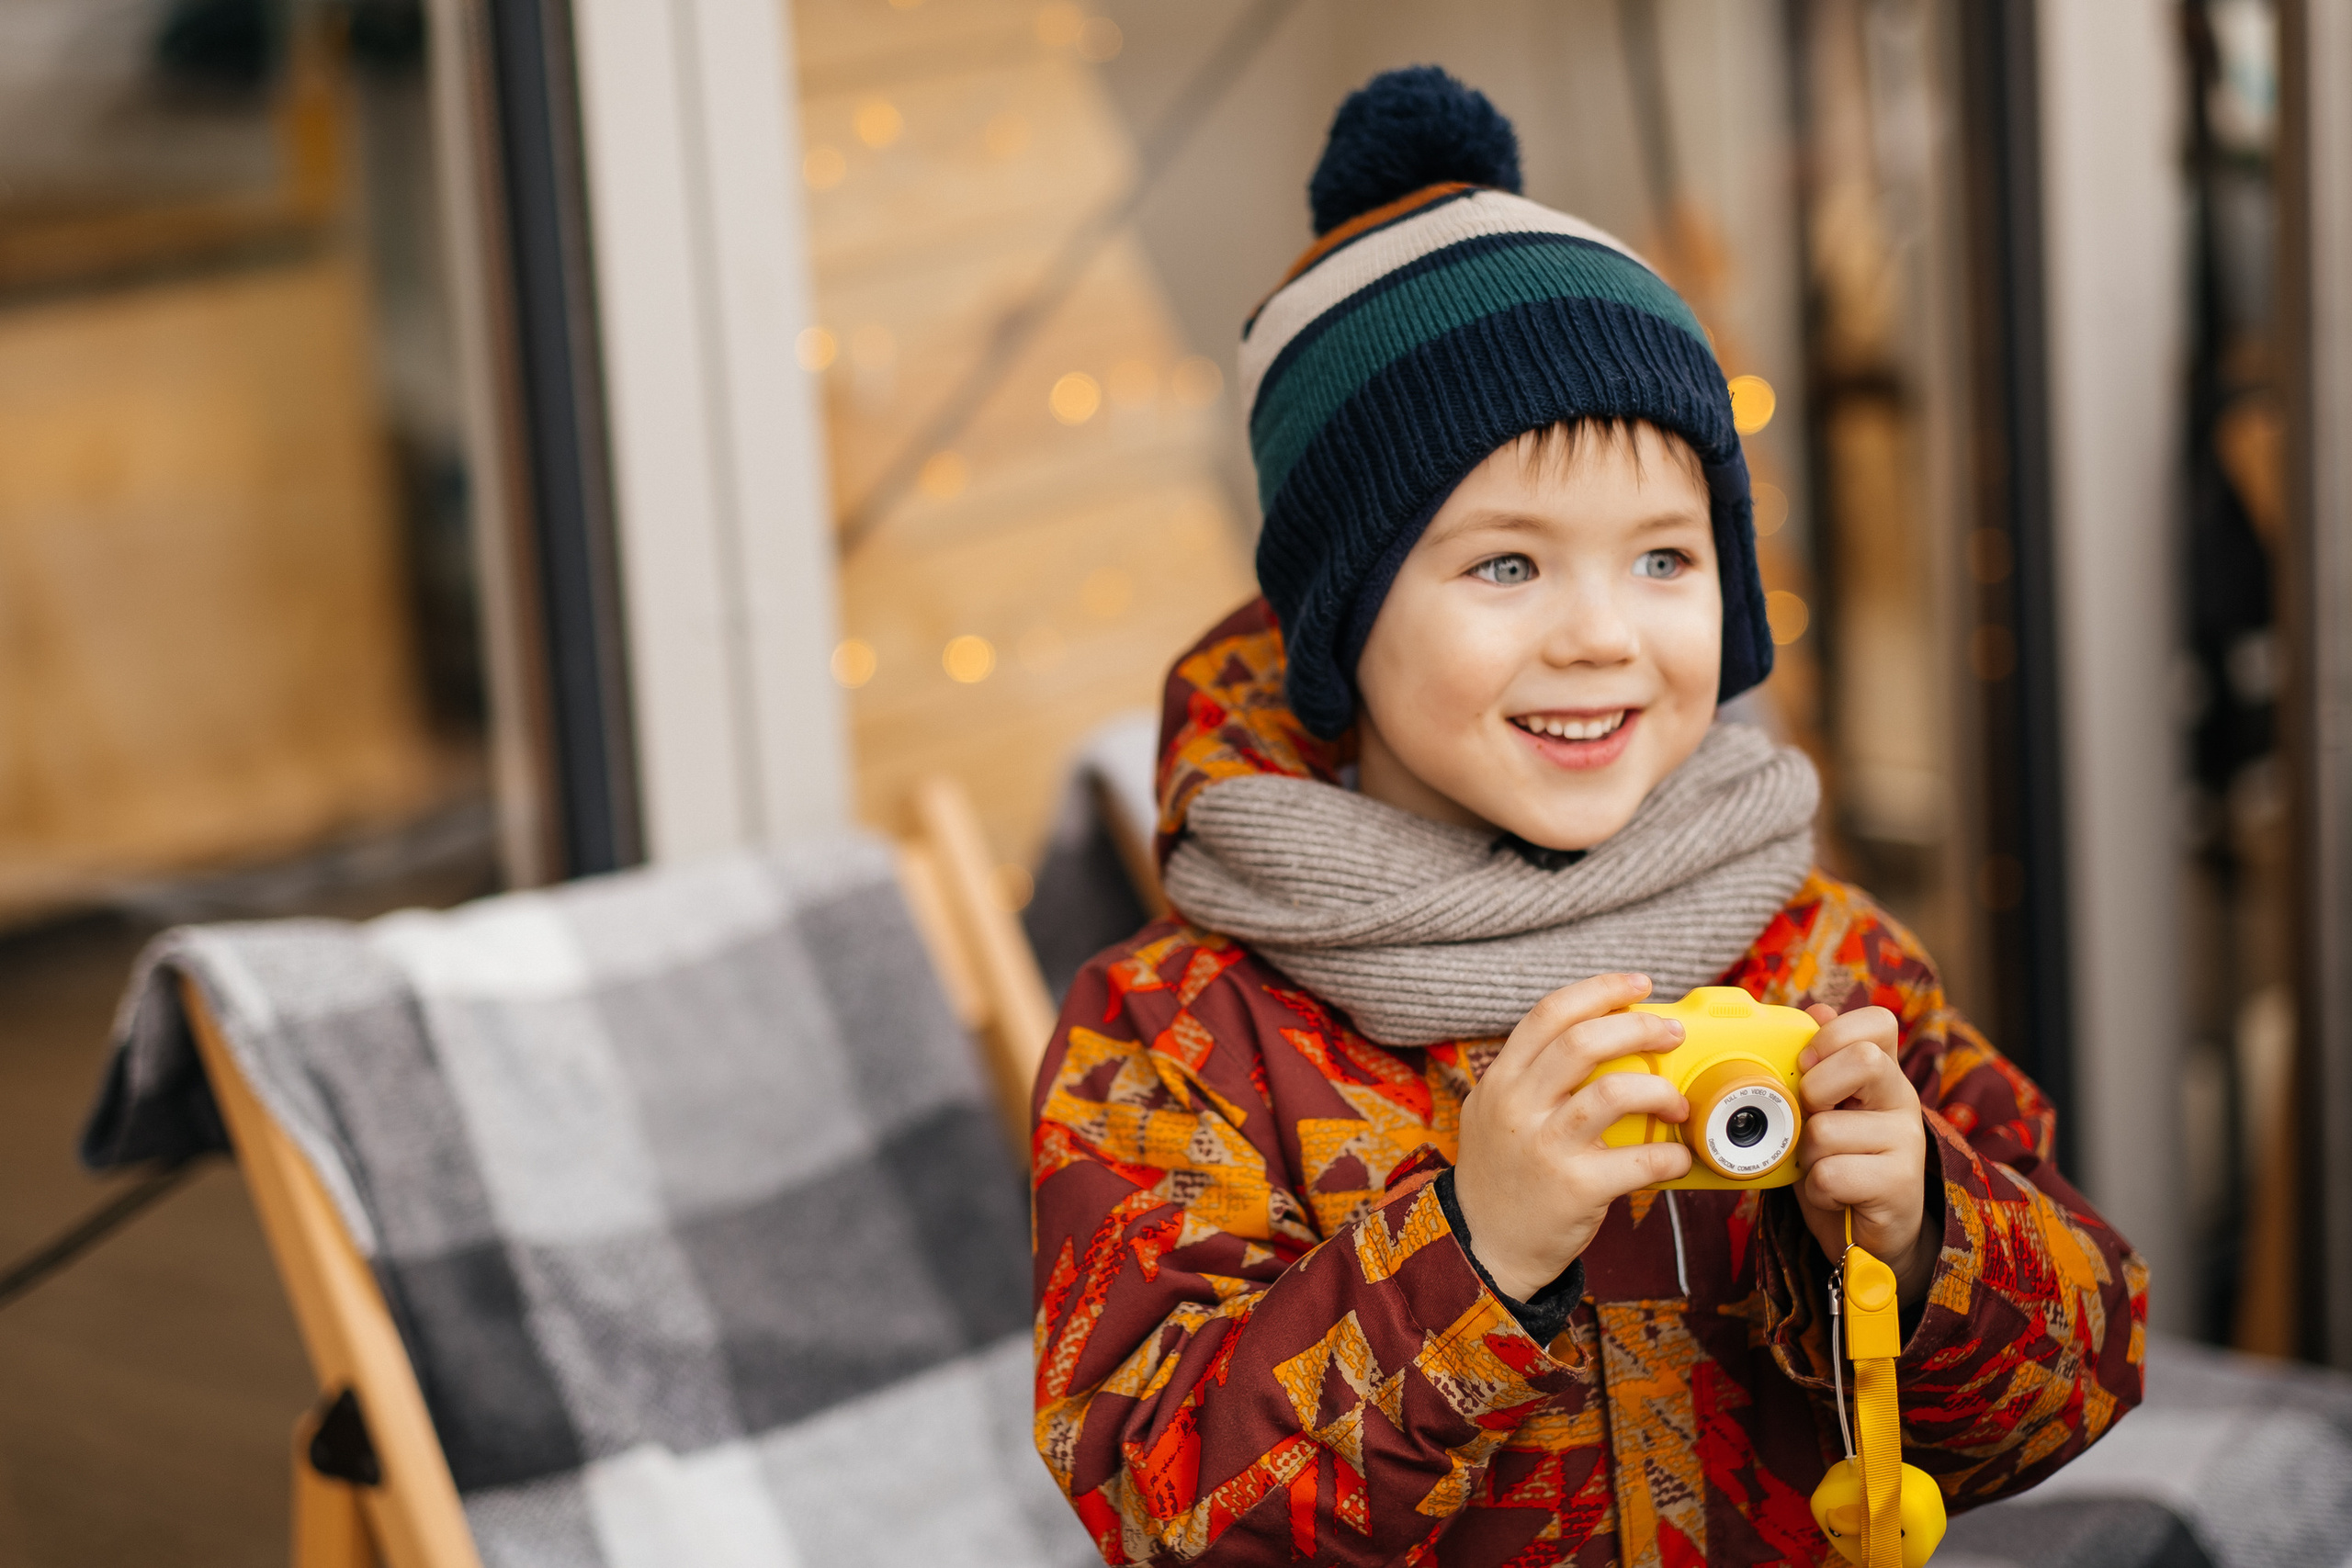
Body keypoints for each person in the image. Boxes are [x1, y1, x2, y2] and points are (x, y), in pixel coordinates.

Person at [1029, 67, 2144, 1568]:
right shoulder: (1180, 1036)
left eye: (1666, 561)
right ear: (1341, 620)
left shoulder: (1815, 953)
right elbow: (1168, 1513)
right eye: (1507, 567)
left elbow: (2086, 1371)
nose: (1603, 637)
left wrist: (1927, 1234)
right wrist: (1471, 1250)